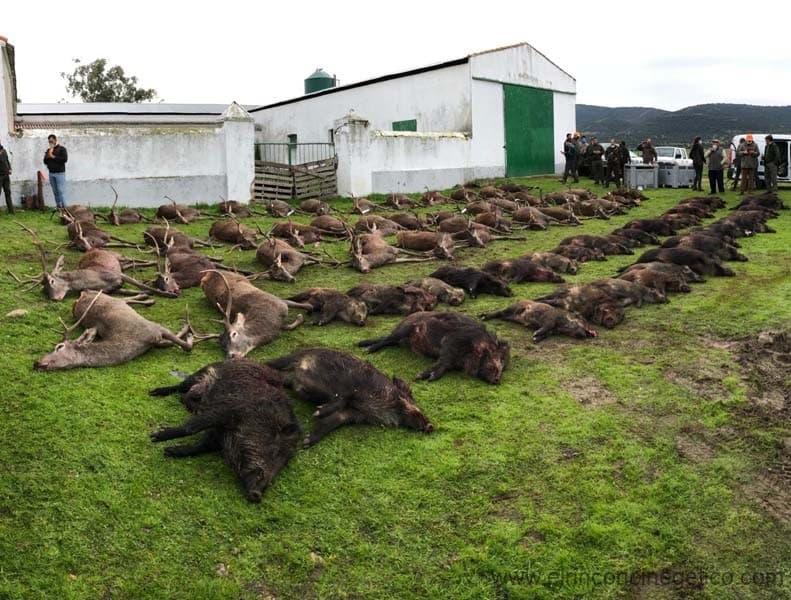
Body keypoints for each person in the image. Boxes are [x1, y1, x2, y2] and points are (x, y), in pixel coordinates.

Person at [43, 134, 68, 208]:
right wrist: (48, 156)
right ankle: (59, 207)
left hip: (60, 174)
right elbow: (45, 161)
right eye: (49, 141)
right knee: (55, 192)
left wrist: (53, 156)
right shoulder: (48, 150)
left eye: (51, 141)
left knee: (61, 191)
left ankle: (65, 208)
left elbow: (64, 159)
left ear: (55, 140)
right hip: (51, 174)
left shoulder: (62, 149)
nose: (50, 142)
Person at [0, 139, 12, 214]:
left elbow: (7, 161)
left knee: (8, 193)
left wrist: (10, 168)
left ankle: (11, 211)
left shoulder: (4, 150)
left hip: (6, 175)